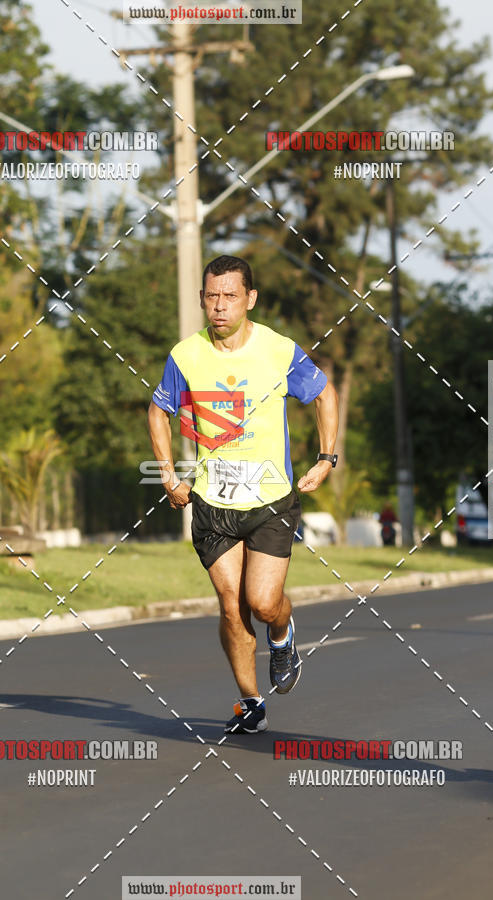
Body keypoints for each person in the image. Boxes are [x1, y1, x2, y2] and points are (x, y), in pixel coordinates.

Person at [148, 255, 338, 734]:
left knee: (262, 602)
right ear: (201, 299)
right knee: (231, 605)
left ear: (249, 299)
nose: (219, 306)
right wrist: (169, 476)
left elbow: (324, 394)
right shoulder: (185, 355)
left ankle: (281, 634)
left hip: (271, 501)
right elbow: (158, 412)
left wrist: (325, 458)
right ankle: (250, 700)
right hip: (213, 503)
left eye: (230, 296)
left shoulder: (277, 349)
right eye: (211, 296)